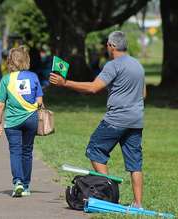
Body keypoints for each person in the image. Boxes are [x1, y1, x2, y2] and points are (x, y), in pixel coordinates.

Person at [49, 31, 146, 208]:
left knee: (95, 150)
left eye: (107, 45)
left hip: (116, 119)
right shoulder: (138, 65)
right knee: (135, 163)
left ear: (112, 46)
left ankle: (108, 193)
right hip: (136, 120)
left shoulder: (113, 65)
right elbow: (144, 93)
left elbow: (93, 88)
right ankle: (138, 203)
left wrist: (65, 83)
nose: (106, 48)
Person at [0, 46, 43, 197]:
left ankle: (18, 182)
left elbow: (1, 103)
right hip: (31, 119)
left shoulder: (6, 79)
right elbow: (40, 101)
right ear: (26, 60)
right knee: (27, 152)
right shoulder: (34, 77)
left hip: (13, 122)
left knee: (15, 151)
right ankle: (27, 186)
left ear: (10, 61)